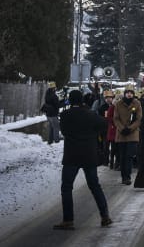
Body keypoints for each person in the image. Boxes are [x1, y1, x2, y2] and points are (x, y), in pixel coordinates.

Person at [53, 90, 112, 230]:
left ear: (70, 100)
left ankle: (68, 220)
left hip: (71, 155)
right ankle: (105, 216)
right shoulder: (90, 114)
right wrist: (93, 133)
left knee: (66, 187)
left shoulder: (65, 115)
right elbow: (104, 124)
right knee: (94, 185)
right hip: (89, 155)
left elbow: (64, 131)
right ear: (82, 101)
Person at [113, 88, 142, 185]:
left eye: (131, 93)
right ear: (124, 94)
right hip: (121, 134)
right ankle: (123, 176)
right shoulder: (118, 104)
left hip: (132, 134)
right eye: (127, 93)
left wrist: (130, 128)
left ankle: (128, 177)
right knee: (122, 156)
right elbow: (116, 119)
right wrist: (122, 128)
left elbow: (138, 119)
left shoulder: (137, 104)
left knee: (129, 156)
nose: (129, 95)